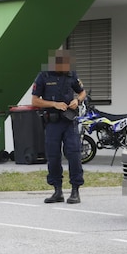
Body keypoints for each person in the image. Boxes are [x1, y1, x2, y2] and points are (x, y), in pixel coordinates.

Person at [31, 49, 86, 204]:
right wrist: (54, 104)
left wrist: (78, 100)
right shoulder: (44, 76)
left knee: (74, 155)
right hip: (53, 123)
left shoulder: (71, 74)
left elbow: (82, 92)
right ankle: (57, 191)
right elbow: (35, 101)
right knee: (53, 157)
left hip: (69, 122)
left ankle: (75, 191)